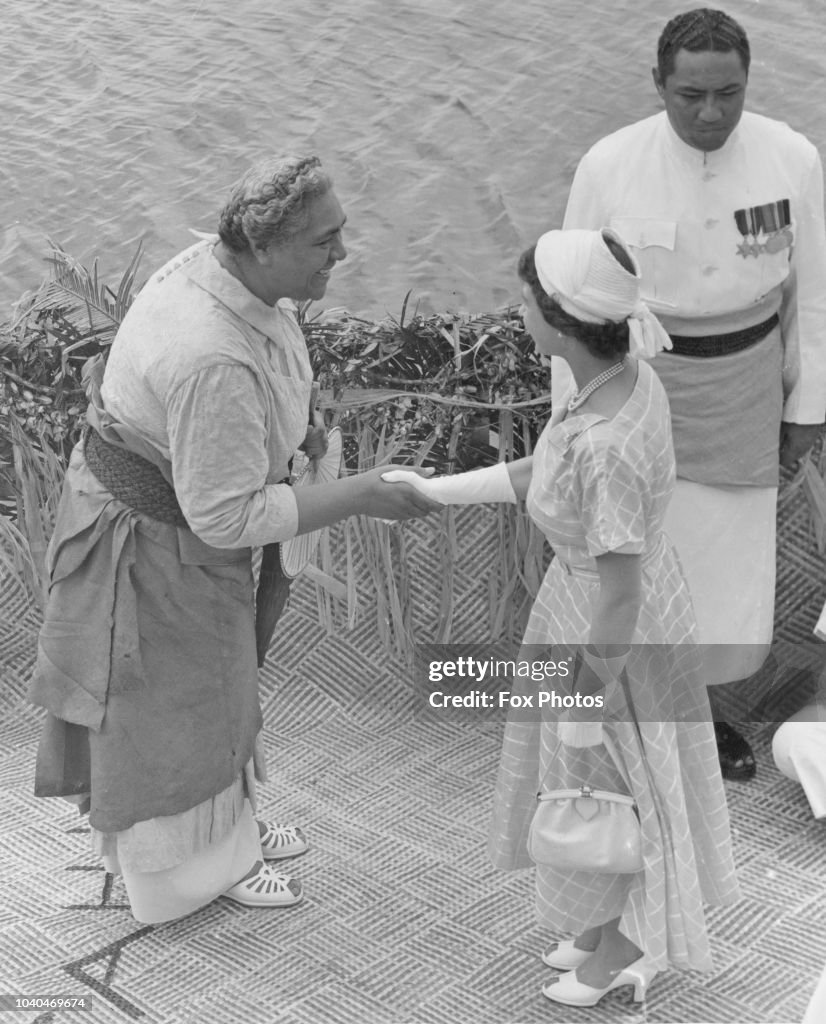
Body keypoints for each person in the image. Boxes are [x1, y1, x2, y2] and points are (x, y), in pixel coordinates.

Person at [28, 155, 440, 924]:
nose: (342, 253)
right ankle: (195, 875)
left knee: (220, 692)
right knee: (174, 714)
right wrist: (353, 495)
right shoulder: (210, 353)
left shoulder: (219, 269)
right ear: (263, 247)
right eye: (324, 241)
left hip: (165, 524)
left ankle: (232, 833)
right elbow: (222, 518)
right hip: (153, 549)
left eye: (340, 231)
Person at [388, 227, 740, 1006]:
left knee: (614, 786)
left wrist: (591, 696)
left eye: (527, 297)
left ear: (560, 315)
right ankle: (597, 924)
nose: (518, 309)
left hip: (609, 623)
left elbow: (617, 588)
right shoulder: (618, 378)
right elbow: (549, 471)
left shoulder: (607, 439)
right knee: (609, 785)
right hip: (614, 601)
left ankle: (624, 947)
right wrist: (433, 491)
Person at [556, 7, 826, 781]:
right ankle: (630, 714)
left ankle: (698, 714)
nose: (710, 113)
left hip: (746, 386)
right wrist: (568, 420)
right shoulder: (608, 165)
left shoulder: (793, 158)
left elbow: (815, 295)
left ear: (747, 84)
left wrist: (805, 408)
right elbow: (570, 305)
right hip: (643, 386)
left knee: (723, 568)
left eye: (728, 94)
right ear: (659, 85)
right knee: (642, 558)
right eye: (690, 96)